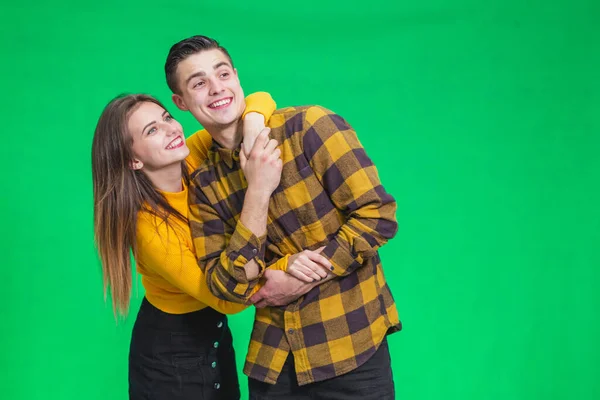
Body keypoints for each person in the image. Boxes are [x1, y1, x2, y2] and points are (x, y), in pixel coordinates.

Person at [164, 35, 402, 399]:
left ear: (237, 76)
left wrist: (300, 276)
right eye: (198, 83)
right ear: (181, 102)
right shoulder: (204, 182)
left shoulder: (310, 128)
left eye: (222, 73)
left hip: (351, 345)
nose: (216, 89)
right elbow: (226, 285)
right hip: (273, 362)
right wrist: (257, 191)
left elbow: (378, 215)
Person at [91, 91, 282, 399]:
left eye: (167, 117)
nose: (171, 129)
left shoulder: (191, 157)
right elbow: (230, 301)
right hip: (170, 354)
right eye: (151, 130)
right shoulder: (148, 228)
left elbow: (261, 99)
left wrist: (252, 126)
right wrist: (286, 267)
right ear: (134, 159)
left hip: (214, 333)